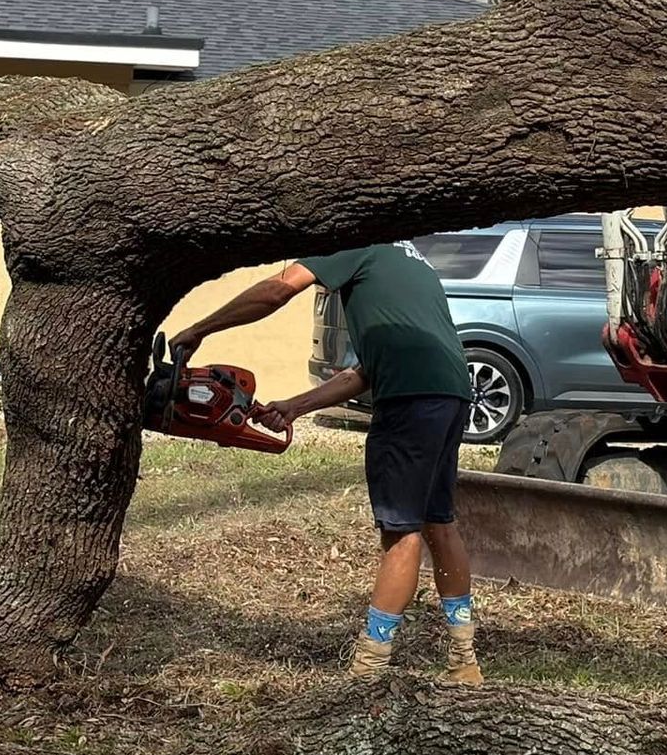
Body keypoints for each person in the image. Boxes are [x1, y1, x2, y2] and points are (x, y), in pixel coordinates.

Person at [170, 241, 482, 684]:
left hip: (409, 401)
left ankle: (368, 672)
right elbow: (361, 374)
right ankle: (464, 662)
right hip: (450, 393)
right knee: (439, 522)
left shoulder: (352, 241)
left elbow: (277, 291)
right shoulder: (406, 258)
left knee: (402, 534)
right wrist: (296, 405)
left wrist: (201, 329)